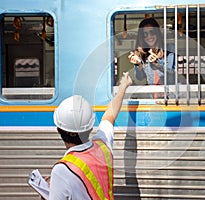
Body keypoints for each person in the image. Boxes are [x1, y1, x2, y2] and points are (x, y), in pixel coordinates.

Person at [48, 72, 132, 200]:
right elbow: (110, 115)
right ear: (90, 127)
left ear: (59, 130)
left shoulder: (61, 171)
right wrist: (123, 87)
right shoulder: (103, 146)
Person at [128, 17, 175, 86]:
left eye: (152, 32)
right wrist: (139, 64)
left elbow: (172, 72)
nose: (149, 36)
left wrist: (157, 64)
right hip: (153, 94)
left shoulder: (169, 49)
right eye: (145, 34)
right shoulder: (142, 52)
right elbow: (140, 77)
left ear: (157, 33)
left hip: (171, 95)